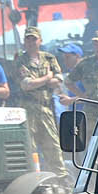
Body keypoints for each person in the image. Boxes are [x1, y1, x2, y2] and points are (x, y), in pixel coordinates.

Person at [15, 27, 66, 174]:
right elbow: (26, 85)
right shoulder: (20, 60)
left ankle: (60, 179)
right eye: (27, 39)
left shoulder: (49, 58)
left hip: (46, 109)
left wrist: (43, 81)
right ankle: (32, 180)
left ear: (40, 41)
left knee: (53, 146)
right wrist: (47, 78)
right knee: (29, 148)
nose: (31, 42)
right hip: (28, 110)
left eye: (34, 39)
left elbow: (59, 80)